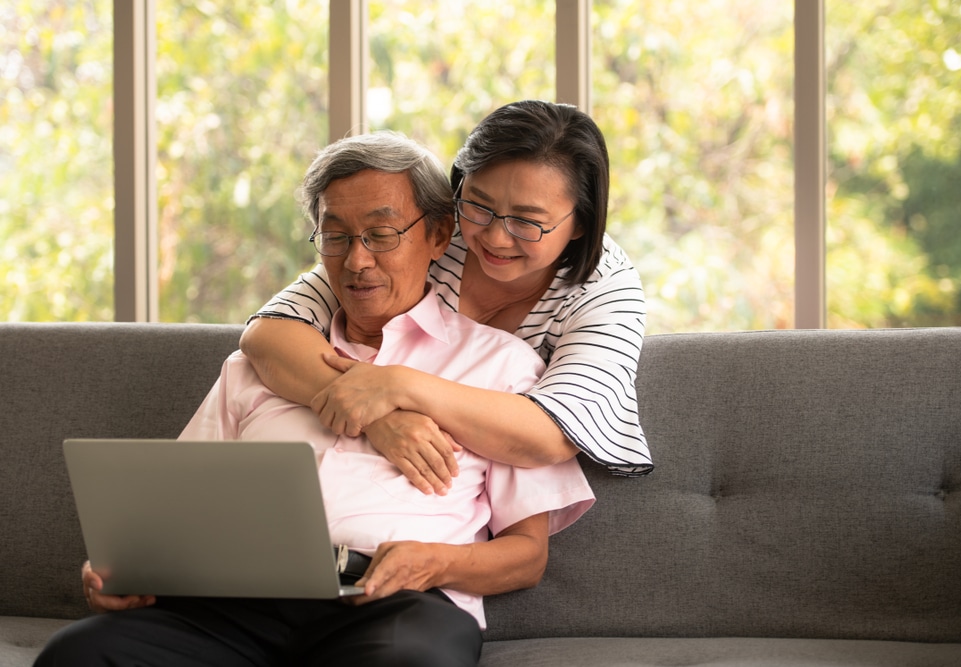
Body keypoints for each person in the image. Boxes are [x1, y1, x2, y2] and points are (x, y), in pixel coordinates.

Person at [34, 132, 594, 667]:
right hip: (232, 604)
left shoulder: (502, 368)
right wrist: (126, 567)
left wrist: (438, 562)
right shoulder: (262, 365)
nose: (356, 261)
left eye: (382, 234)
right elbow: (169, 515)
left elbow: (526, 557)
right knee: (79, 655)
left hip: (392, 602)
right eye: (336, 236)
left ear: (440, 234)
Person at [240, 100, 653, 497]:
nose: (493, 236)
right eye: (479, 205)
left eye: (527, 222)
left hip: (480, 484)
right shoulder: (430, 231)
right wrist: (378, 417)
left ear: (580, 222)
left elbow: (553, 433)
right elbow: (271, 331)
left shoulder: (606, 289)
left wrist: (399, 387)